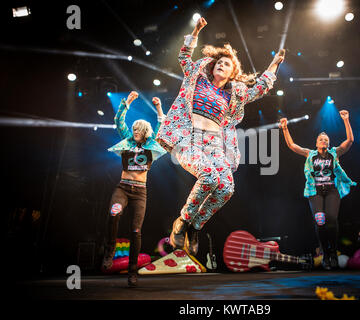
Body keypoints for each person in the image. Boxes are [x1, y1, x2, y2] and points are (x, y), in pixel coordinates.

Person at [156, 17, 284, 256]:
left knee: (225, 187)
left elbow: (260, 88)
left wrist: (274, 65)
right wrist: (195, 31)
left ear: (232, 72)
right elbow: (184, 56)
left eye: (227, 64)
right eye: (219, 62)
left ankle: (195, 226)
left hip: (215, 144)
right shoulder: (197, 76)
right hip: (189, 138)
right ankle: (182, 222)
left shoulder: (234, 93)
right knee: (209, 176)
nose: (221, 65)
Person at [102, 91, 166, 286]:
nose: (135, 130)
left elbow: (162, 127)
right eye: (134, 128)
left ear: (145, 131)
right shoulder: (128, 140)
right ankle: (110, 249)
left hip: (140, 192)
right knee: (114, 212)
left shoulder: (151, 145)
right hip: (122, 188)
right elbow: (118, 120)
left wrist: (158, 108)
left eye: (139, 128)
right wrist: (127, 102)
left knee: (136, 231)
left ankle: (132, 272)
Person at [279, 110, 356, 270]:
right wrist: (285, 129)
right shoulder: (310, 154)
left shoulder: (335, 153)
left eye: (326, 139)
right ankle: (325, 253)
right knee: (320, 221)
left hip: (332, 190)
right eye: (321, 139)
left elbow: (349, 141)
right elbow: (292, 146)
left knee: (332, 220)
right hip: (315, 191)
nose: (323, 141)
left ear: (328, 143)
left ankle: (333, 252)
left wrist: (346, 120)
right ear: (316, 143)